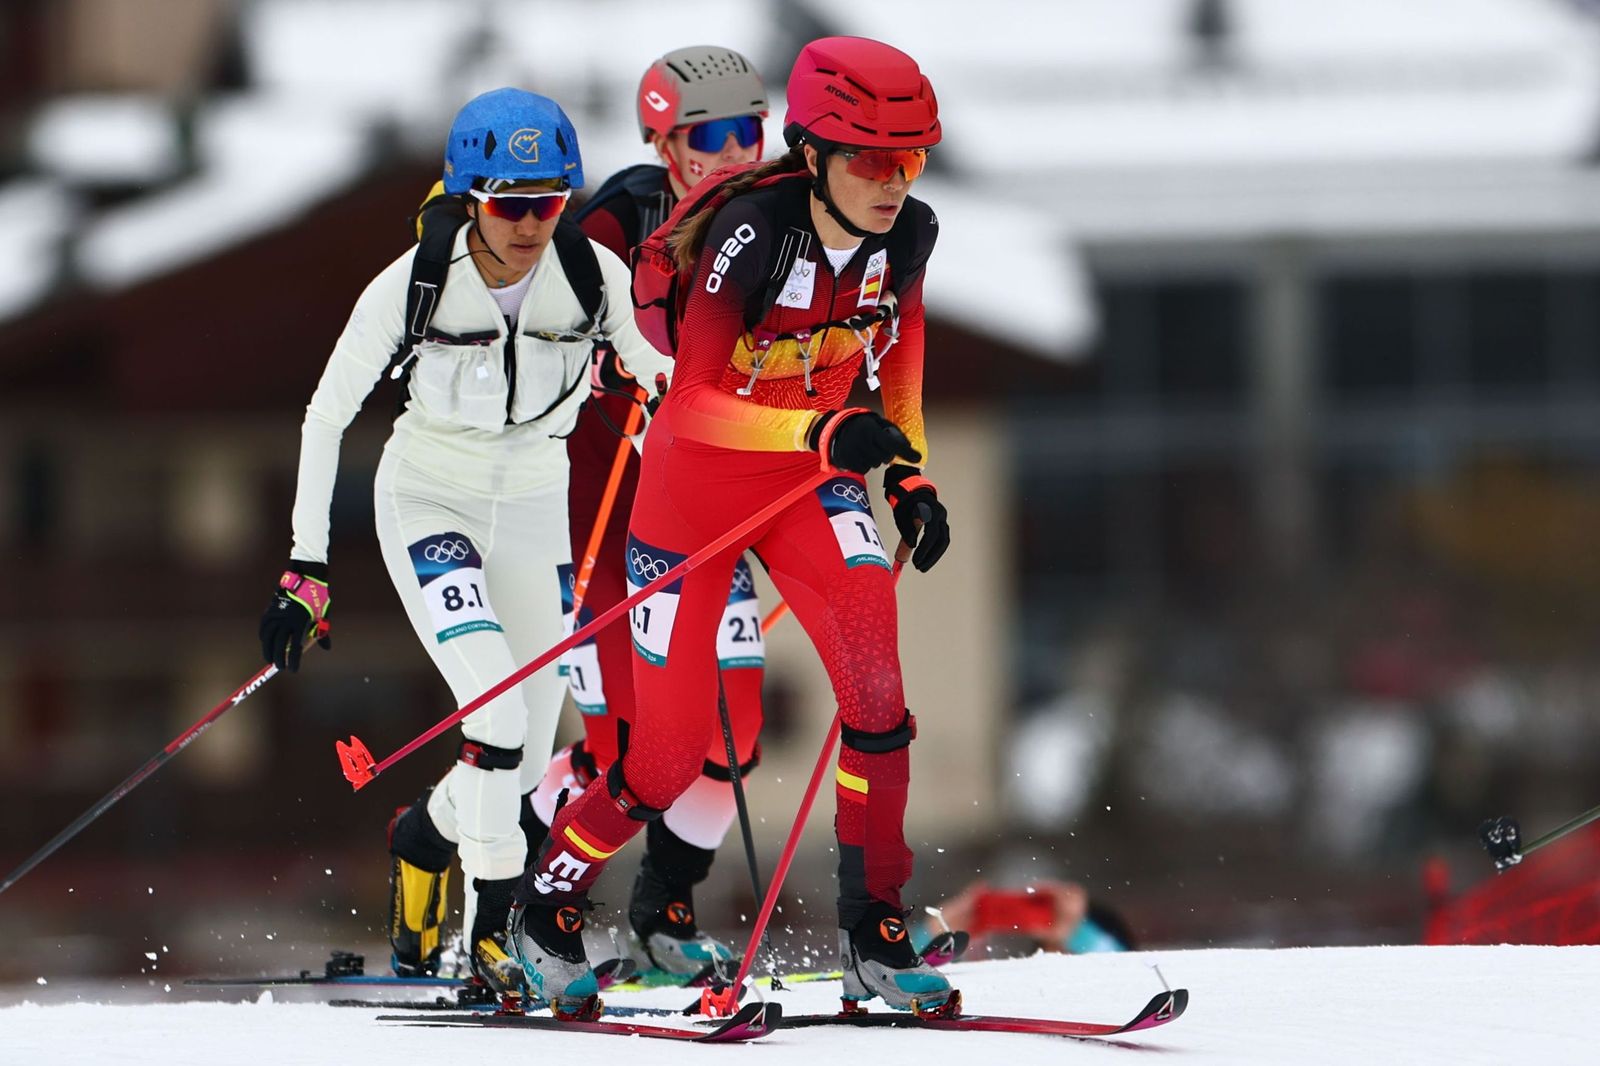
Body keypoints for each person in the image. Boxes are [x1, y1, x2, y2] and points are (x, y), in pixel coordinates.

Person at [508, 36, 955, 1018]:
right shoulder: (750, 233)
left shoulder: (908, 234)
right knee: (664, 760)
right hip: (690, 494)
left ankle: (874, 928)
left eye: (911, 159)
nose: (893, 183)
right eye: (871, 160)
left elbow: (901, 346)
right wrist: (821, 428)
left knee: (877, 689)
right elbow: (696, 402)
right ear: (814, 153)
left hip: (802, 483)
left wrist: (909, 473)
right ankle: (546, 907)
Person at [256, 87, 671, 993]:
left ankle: (421, 838)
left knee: (520, 754)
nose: (529, 225)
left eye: (548, 202)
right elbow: (325, 417)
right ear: (467, 198)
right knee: (496, 710)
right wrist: (305, 568)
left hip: (535, 508)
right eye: (507, 204)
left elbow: (654, 377)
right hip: (429, 500)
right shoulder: (414, 281)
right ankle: (492, 935)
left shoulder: (591, 273)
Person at [521, 44, 771, 983]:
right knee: (623, 749)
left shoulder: (777, 216)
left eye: (750, 131)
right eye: (712, 136)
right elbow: (544, 328)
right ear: (665, 147)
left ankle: (663, 912)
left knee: (732, 733)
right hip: (601, 511)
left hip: (700, 510)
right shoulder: (618, 221)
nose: (735, 153)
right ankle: (514, 904)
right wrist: (602, 355)